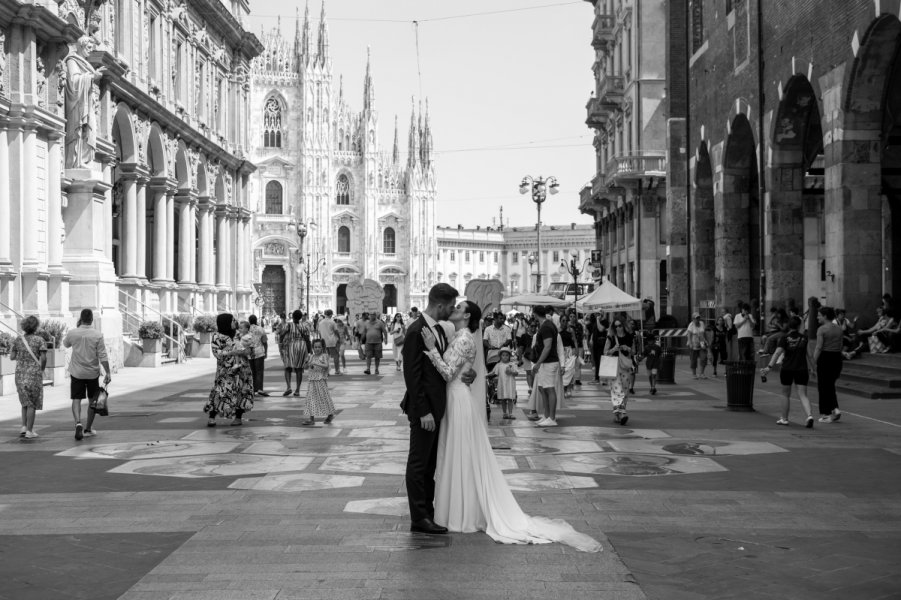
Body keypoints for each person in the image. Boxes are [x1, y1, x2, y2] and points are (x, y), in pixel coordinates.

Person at [419, 299, 601, 552]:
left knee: (460, 453)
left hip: (457, 399)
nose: (453, 310)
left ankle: (462, 512)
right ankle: (458, 508)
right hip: (456, 398)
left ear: (467, 315)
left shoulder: (464, 339)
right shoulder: (458, 334)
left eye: (458, 308)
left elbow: (448, 373)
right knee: (457, 454)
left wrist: (431, 350)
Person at [400, 282, 472, 535]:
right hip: (425, 410)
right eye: (451, 306)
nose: (452, 310)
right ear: (440, 305)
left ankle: (428, 513)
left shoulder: (439, 330)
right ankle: (419, 517)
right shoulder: (416, 330)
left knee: (430, 464)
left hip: (437, 407)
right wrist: (423, 411)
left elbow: (445, 367)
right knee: (419, 463)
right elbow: (412, 376)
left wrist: (467, 373)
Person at [63, 308, 111, 440]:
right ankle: (88, 428)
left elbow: (65, 344)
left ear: (80, 319)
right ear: (91, 320)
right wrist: (108, 372)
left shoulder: (73, 333)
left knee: (76, 399)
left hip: (76, 372)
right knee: (92, 400)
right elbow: (103, 355)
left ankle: (78, 422)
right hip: (92, 373)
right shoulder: (97, 334)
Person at [761, 316, 814, 428]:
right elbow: (810, 356)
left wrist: (769, 367)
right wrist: (814, 369)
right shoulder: (804, 338)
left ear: (789, 326)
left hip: (787, 369)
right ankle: (809, 416)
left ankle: (784, 419)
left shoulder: (784, 338)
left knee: (785, 394)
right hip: (802, 369)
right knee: (803, 394)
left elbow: (777, 353)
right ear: (799, 326)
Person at [203, 313, 254, 427]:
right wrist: (231, 352)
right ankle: (212, 416)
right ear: (225, 322)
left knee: (242, 392)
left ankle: (238, 417)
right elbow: (217, 353)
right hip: (225, 371)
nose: (234, 322)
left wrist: (248, 350)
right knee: (220, 392)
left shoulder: (238, 334)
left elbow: (249, 348)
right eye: (232, 321)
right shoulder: (217, 336)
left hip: (242, 370)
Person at [10, 315, 47, 439]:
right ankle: (30, 431)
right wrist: (41, 368)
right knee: (32, 403)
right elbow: (43, 358)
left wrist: (21, 354)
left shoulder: (18, 340)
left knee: (24, 402)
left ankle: (23, 427)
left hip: (19, 374)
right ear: (36, 326)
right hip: (34, 374)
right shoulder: (40, 340)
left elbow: (12, 357)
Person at [530, 305, 562, 427]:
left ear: (535, 314)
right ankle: (547, 416)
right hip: (545, 361)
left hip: (548, 361)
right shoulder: (547, 325)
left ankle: (552, 418)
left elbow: (547, 346)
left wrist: (538, 363)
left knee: (549, 388)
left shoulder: (546, 326)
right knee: (543, 388)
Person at [814, 306, 844, 423]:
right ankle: (835, 408)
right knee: (830, 384)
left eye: (819, 315)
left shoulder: (821, 329)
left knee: (823, 386)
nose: (817, 317)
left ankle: (826, 413)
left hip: (825, 357)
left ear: (825, 316)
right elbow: (841, 346)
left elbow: (819, 347)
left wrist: (812, 362)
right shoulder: (839, 329)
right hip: (836, 358)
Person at [603, 318, 634, 425]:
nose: (618, 328)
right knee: (617, 390)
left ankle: (617, 414)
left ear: (624, 325)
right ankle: (622, 414)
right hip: (613, 367)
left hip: (625, 367)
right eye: (615, 326)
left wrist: (627, 348)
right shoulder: (611, 337)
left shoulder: (629, 337)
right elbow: (605, 352)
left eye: (620, 325)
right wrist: (613, 350)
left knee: (625, 391)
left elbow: (633, 351)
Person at [301, 339, 336, 425]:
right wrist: (306, 362)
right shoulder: (311, 356)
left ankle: (330, 414)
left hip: (320, 380)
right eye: (315, 347)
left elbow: (326, 366)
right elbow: (305, 367)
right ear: (313, 348)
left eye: (319, 347)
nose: (317, 349)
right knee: (310, 399)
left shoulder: (324, 356)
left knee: (324, 398)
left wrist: (315, 363)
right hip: (312, 380)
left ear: (322, 347)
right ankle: (311, 419)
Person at [280, 310, 309, 397]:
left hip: (291, 346)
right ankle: (297, 390)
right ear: (300, 317)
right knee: (299, 369)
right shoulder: (304, 326)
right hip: (302, 346)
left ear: (292, 317)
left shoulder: (289, 325)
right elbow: (307, 339)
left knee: (288, 367)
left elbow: (282, 334)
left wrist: (281, 343)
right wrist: (309, 351)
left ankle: (289, 387)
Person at [489, 348, 518, 419]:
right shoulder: (498, 365)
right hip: (502, 384)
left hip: (510, 384)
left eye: (507, 355)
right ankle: (504, 413)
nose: (505, 357)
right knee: (503, 399)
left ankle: (510, 413)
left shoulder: (512, 364)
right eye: (503, 355)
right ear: (500, 356)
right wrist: (486, 375)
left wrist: (511, 372)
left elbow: (516, 373)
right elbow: (493, 372)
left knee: (510, 399)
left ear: (509, 356)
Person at [247, 315, 269, 395]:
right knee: (259, 371)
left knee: (252, 372)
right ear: (256, 320)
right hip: (259, 352)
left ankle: (253, 389)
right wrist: (266, 352)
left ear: (249, 321)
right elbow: (265, 342)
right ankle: (259, 388)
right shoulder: (261, 329)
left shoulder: (246, 330)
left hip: (249, 353)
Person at [317, 309, 341, 375]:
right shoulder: (332, 322)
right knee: (336, 355)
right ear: (330, 314)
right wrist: (339, 338)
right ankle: (337, 370)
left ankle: (326, 371)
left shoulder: (321, 322)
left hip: (323, 342)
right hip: (332, 341)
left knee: (325, 357)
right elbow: (336, 331)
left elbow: (319, 332)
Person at [687, 312, 709, 379]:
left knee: (704, 358)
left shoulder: (702, 323)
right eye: (696, 318)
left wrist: (706, 341)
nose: (698, 319)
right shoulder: (691, 325)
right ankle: (694, 374)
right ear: (693, 319)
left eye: (698, 318)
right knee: (693, 359)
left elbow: (704, 333)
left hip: (702, 342)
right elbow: (689, 335)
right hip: (693, 344)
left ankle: (702, 373)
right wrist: (690, 343)